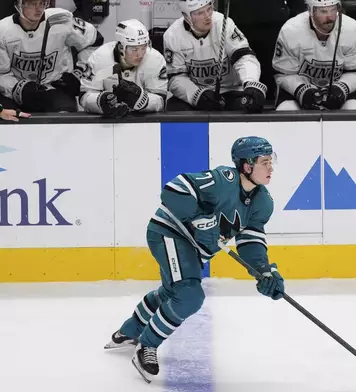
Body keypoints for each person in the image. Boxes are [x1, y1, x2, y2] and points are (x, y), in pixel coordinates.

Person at [104, 136, 285, 384]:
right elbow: (173, 190)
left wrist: (264, 272)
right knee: (189, 295)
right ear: (246, 166)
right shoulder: (223, 180)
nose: (271, 167)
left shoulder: (263, 202)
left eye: (271, 161)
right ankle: (146, 345)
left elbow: (250, 241)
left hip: (194, 249)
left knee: (173, 292)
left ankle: (128, 331)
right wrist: (197, 216)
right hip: (170, 233)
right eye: (265, 162)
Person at [163, 0, 267, 114]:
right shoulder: (172, 36)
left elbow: (243, 57)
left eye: (209, 9)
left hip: (231, 91)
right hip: (198, 92)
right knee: (174, 109)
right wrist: (197, 95)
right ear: (187, 17)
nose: (208, 16)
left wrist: (250, 81)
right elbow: (175, 78)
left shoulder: (224, 23)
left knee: (250, 104)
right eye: (200, 13)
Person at [0, 0, 104, 113]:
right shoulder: (3, 30)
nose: (38, 8)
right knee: (8, 119)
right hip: (20, 93)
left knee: (66, 120)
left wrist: (80, 73)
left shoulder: (61, 19)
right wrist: (17, 88)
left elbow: (94, 41)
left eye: (42, 3)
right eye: (32, 3)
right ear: (19, 4)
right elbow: (2, 73)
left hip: (56, 87)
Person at [272, 0, 356, 111]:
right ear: (310, 11)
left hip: (341, 88)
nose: (330, 18)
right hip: (298, 89)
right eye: (323, 11)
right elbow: (282, 74)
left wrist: (342, 88)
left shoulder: (353, 29)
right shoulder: (290, 30)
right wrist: (302, 90)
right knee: (286, 110)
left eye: (333, 10)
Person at [79, 19, 168, 118]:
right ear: (121, 47)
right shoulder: (99, 58)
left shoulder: (155, 59)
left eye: (143, 47)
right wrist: (101, 101)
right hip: (106, 121)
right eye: (134, 49)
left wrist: (142, 100)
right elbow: (85, 96)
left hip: (142, 121)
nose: (140, 54)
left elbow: (161, 100)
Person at [228, 0, 307, 102]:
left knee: (273, 75)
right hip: (239, 24)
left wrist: (296, 20)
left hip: (273, 24)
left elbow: (297, 5)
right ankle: (247, 102)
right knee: (243, 71)